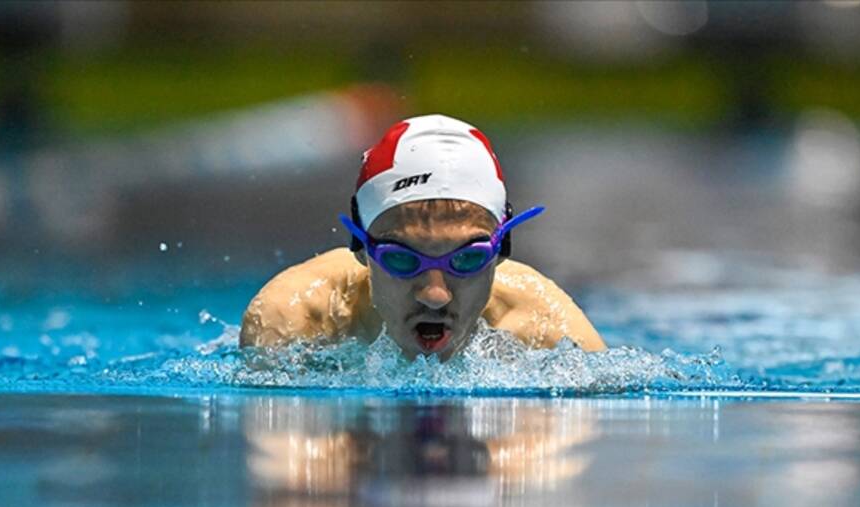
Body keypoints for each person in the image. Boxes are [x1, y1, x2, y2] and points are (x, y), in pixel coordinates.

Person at [239, 114, 605, 359]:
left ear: (502, 248)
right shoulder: (294, 320)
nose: (435, 296)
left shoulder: (548, 332)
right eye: (402, 258)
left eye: (467, 258)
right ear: (361, 247)